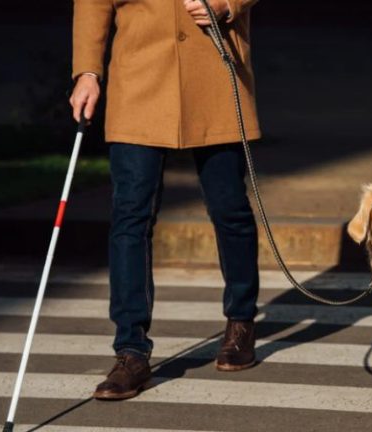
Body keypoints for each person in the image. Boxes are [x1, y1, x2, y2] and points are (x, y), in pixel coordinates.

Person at [69, 0, 261, 400]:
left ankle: (241, 320)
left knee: (230, 209)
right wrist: (88, 71)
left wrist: (229, 4)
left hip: (215, 69)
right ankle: (131, 351)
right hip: (139, 76)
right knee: (130, 216)